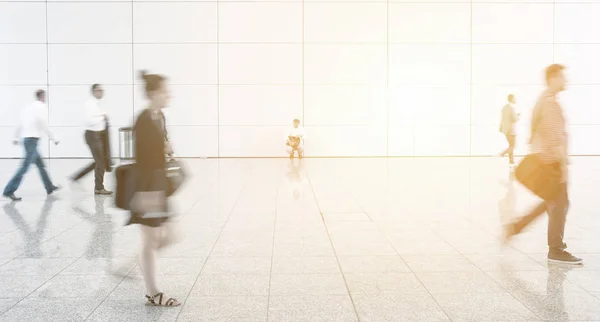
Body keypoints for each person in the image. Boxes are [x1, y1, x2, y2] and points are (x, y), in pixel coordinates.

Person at [505, 64, 582, 265]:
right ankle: (555, 250)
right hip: (552, 163)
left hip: (548, 161)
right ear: (553, 78)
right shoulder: (549, 103)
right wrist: (562, 165)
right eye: (563, 77)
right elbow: (553, 137)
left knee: (555, 202)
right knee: (559, 203)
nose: (566, 81)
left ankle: (517, 228)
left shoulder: (546, 100)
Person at [127, 70, 180, 307]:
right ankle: (153, 292)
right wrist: (164, 149)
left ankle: (131, 264)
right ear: (153, 94)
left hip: (159, 185)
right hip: (148, 186)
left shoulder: (160, 117)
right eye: (164, 92)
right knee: (152, 239)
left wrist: (166, 149)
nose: (168, 95)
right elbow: (143, 158)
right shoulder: (144, 119)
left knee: (168, 235)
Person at [3, 90, 60, 201]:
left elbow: (20, 123)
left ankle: (49, 187)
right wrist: (53, 138)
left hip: (27, 140)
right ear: (42, 96)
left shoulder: (28, 108)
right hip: (32, 141)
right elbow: (44, 124)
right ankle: (8, 190)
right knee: (25, 167)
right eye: (45, 96)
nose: (45, 98)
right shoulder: (41, 107)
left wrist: (15, 137)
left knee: (40, 165)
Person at [70, 84, 113, 195]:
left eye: (102, 90)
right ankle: (99, 188)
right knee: (100, 161)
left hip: (99, 135)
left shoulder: (99, 104)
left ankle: (77, 176)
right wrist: (102, 117)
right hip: (93, 136)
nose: (101, 92)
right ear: (93, 91)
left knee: (99, 161)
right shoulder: (90, 104)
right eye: (99, 90)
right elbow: (88, 121)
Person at [499, 94, 519, 166]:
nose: (516, 99)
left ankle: (511, 161)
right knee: (513, 146)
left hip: (506, 130)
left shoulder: (504, 108)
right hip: (511, 130)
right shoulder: (512, 108)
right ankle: (502, 153)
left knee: (510, 145)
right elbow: (514, 119)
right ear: (512, 99)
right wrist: (519, 116)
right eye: (515, 98)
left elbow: (502, 118)